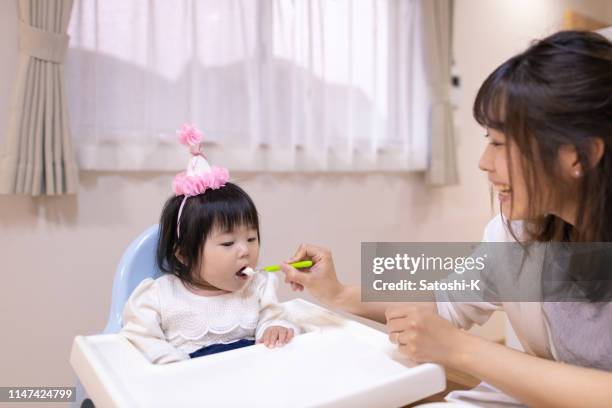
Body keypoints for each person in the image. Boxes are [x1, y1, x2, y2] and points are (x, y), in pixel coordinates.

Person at [281, 31, 612, 407]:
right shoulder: (518, 233)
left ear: (579, 155)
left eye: (500, 144)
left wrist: (461, 351)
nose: (484, 162)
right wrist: (338, 293)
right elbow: (447, 301)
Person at [121, 124, 299, 364]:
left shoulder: (257, 287)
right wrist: (174, 365)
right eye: (227, 243)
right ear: (184, 254)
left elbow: (275, 316)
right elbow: (139, 340)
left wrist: (275, 327)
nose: (245, 250)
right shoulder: (160, 297)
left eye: (251, 238)